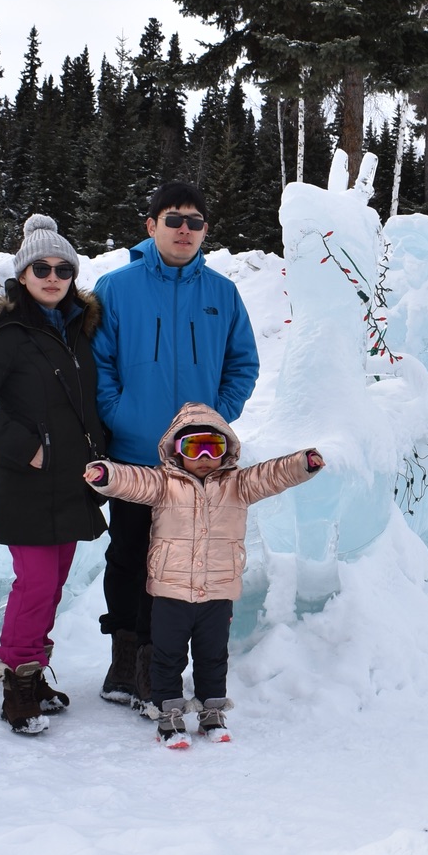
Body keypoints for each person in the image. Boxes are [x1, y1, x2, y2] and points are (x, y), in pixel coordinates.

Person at [91, 181, 261, 707]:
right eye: (173, 219)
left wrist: (214, 417)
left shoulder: (222, 294)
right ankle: (124, 661)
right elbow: (97, 364)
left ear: (205, 231)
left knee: (173, 566)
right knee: (127, 558)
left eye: (194, 221)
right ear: (151, 226)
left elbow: (243, 364)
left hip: (197, 466)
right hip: (135, 456)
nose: (183, 229)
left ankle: (152, 667)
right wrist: (120, 414)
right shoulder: (116, 288)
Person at [85, 402, 322, 746]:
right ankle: (168, 715)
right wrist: (107, 476)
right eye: (195, 447)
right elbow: (132, 481)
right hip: (171, 593)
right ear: (176, 451)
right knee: (167, 656)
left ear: (227, 449)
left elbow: (271, 475)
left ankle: (212, 712)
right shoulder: (164, 484)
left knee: (213, 656)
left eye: (215, 446)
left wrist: (302, 464)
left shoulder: (237, 485)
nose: (206, 456)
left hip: (217, 592)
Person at [0, 214, 108, 735]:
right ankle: (17, 686)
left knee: (53, 584)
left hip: (73, 481)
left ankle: (33, 672)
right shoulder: (8, 331)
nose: (52, 275)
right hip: (29, 480)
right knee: (36, 583)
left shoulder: (77, 329)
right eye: (40, 267)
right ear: (22, 274)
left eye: (63, 268)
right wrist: (27, 447)